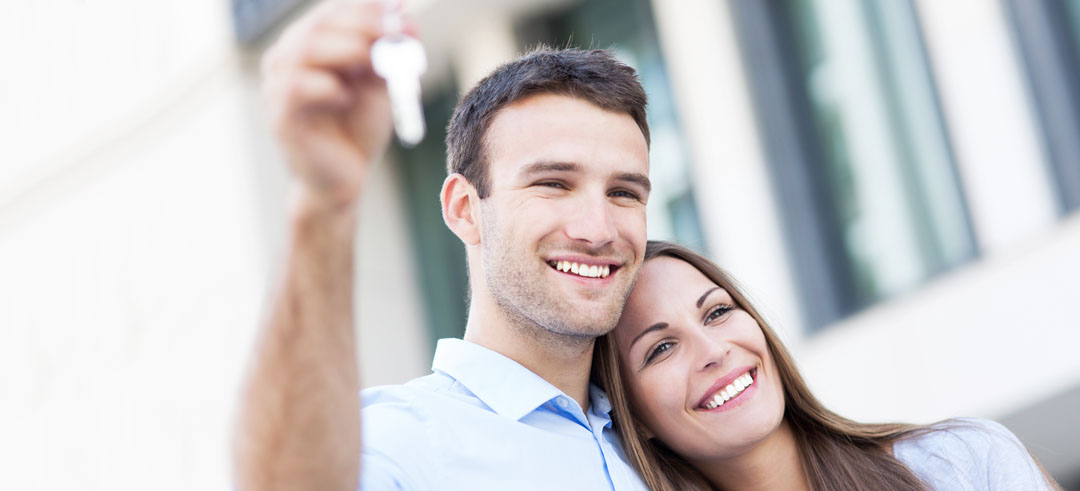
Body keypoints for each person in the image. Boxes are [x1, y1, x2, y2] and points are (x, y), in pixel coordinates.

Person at [233, 1, 653, 489]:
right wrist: (323, 203)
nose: (598, 229)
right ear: (463, 209)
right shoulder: (400, 444)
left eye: (624, 193)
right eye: (553, 184)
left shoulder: (664, 436)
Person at [594, 240, 1060, 490]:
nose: (713, 351)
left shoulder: (960, 463)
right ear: (633, 416)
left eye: (717, 312)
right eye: (662, 348)